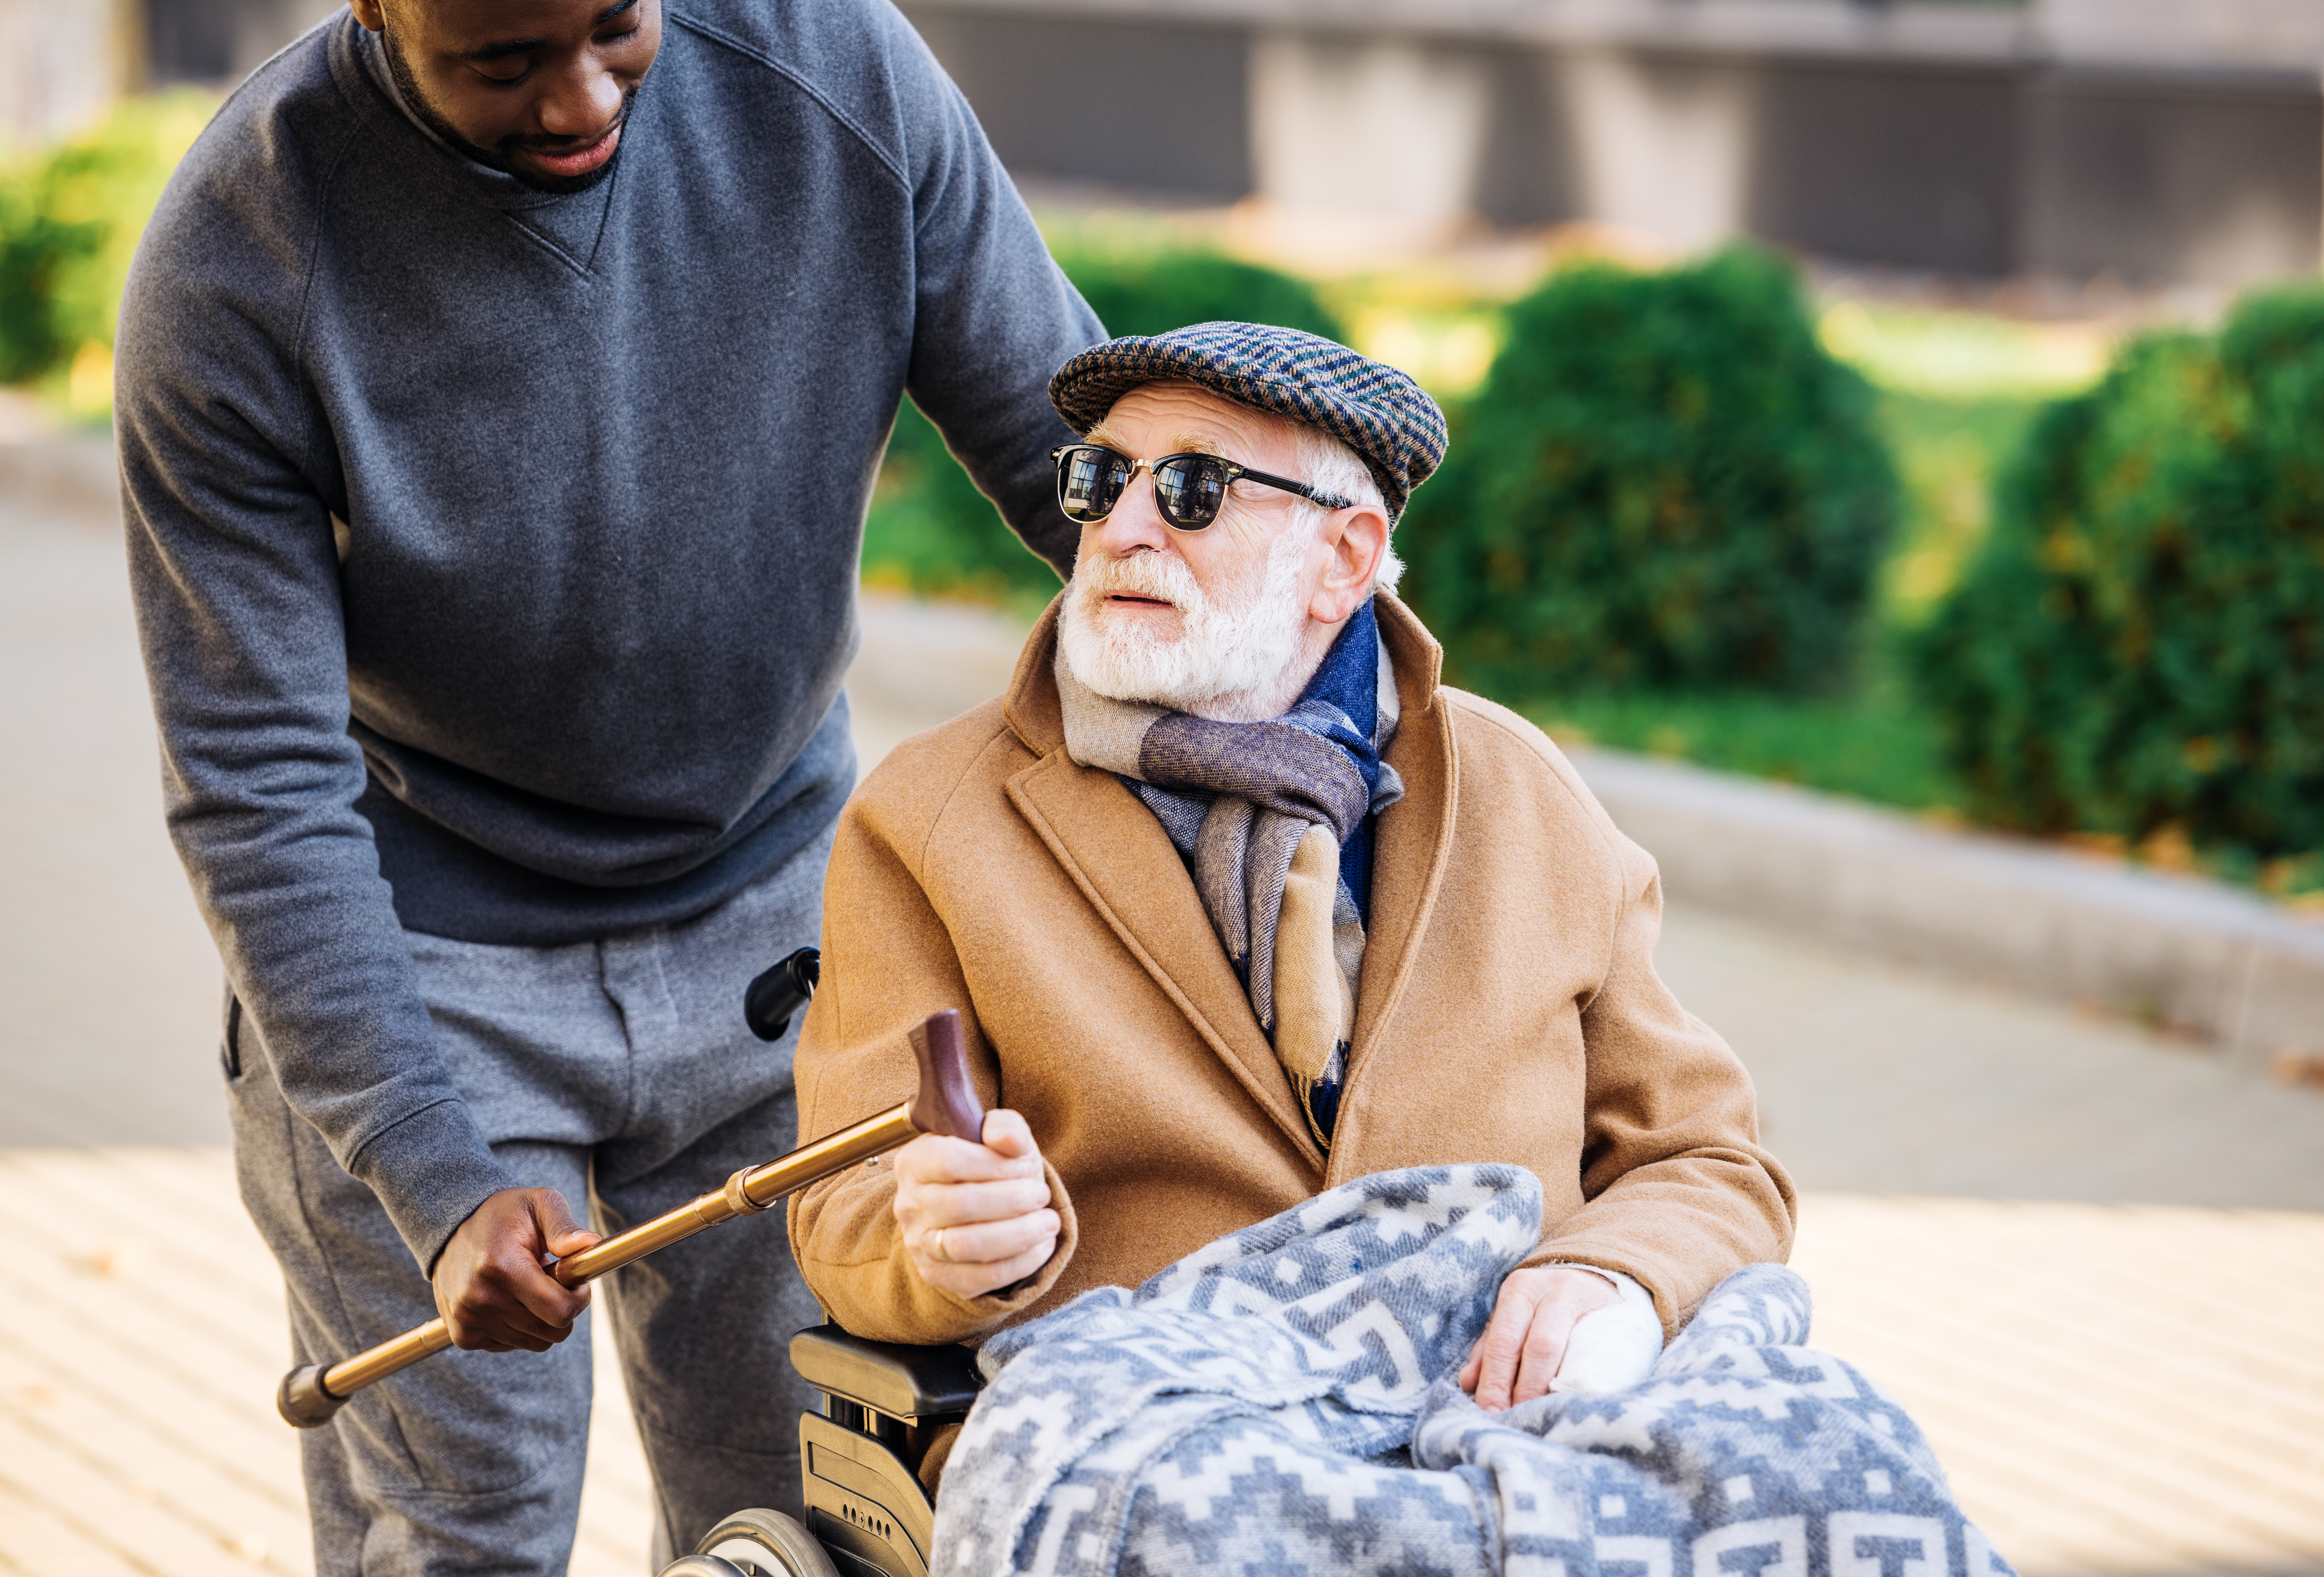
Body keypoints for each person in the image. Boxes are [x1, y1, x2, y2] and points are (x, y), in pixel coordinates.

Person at [114, 0, 1097, 1567]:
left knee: (804, 1518)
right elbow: (255, 781)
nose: (580, 100)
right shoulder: (236, 261)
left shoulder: (833, 69)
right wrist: (431, 1175)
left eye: (618, 23)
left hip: (775, 925)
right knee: (468, 1534)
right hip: (427, 967)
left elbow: (1090, 476)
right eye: (503, 60)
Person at [788, 324, 1796, 1465]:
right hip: (1161, 1445)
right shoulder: (930, 816)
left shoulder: (1520, 791)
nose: (1123, 527)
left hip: (1511, 1432)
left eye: (1193, 489)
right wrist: (939, 1243)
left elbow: (1706, 1160)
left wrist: (1608, 1272)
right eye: (1104, 479)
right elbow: (841, 1205)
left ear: (1344, 560)